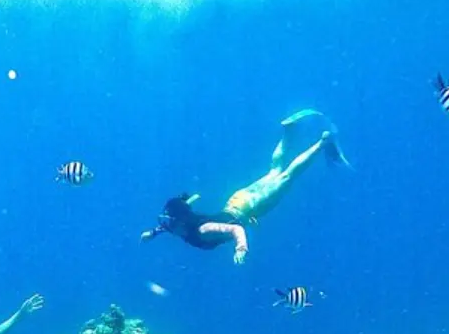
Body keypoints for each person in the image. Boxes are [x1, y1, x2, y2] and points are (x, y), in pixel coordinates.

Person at [141, 110, 349, 264]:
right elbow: (172, 223)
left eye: (167, 223)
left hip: (250, 207)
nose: (166, 226)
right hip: (237, 200)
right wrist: (154, 232)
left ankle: (323, 142)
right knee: (274, 172)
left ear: (180, 222)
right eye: (165, 223)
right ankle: (288, 131)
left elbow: (235, 228)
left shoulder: (203, 230)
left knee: (286, 176)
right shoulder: (180, 227)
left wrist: (241, 247)